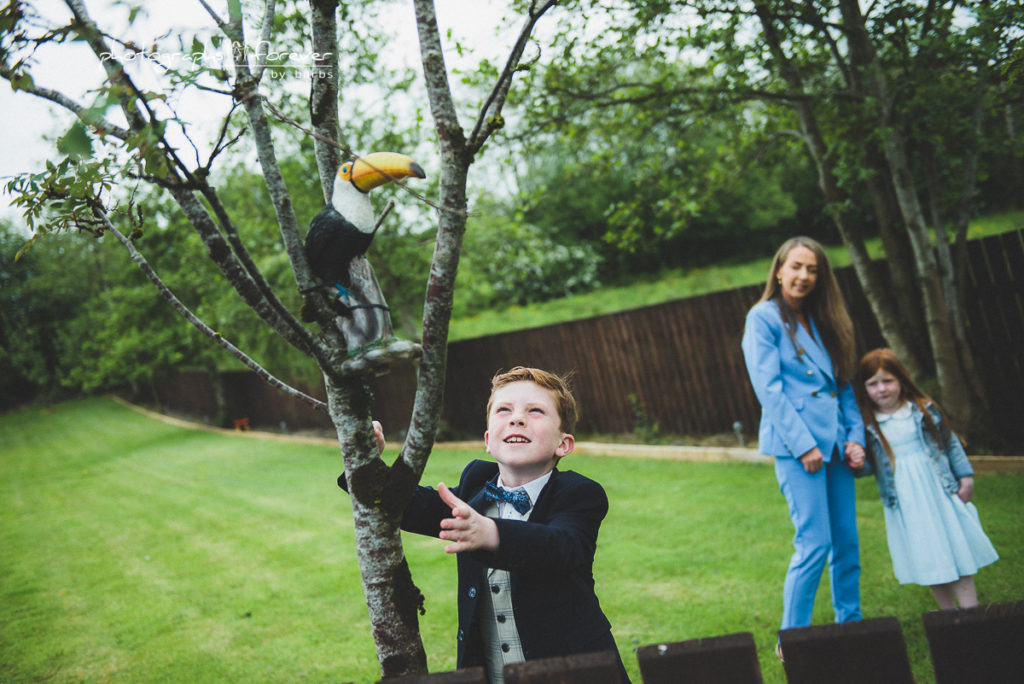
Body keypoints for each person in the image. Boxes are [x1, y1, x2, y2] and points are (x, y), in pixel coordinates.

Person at [339, 367, 628, 683]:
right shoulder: (475, 488)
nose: (517, 419)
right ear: (489, 441)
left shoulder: (578, 494)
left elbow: (562, 545)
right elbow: (405, 506)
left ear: (564, 444)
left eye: (535, 411)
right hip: (492, 672)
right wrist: (366, 462)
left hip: (575, 672)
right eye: (504, 410)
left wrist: (492, 532)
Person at [740, 236, 866, 656]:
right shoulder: (764, 318)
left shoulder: (825, 319)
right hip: (800, 450)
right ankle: (791, 641)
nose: (803, 276)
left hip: (836, 448)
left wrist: (855, 440)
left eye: (812, 269)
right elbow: (769, 389)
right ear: (779, 270)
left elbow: (844, 388)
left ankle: (853, 628)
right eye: (796, 267)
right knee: (814, 543)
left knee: (846, 542)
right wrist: (804, 445)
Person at [854, 348, 998, 609]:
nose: (881, 389)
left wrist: (965, 476)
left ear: (901, 379)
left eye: (887, 380)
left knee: (958, 549)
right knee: (928, 556)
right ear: (863, 389)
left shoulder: (923, 410)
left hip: (938, 491)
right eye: (872, 384)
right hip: (907, 502)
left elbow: (950, 442)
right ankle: (948, 617)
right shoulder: (867, 424)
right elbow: (867, 468)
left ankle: (971, 613)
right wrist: (854, 461)